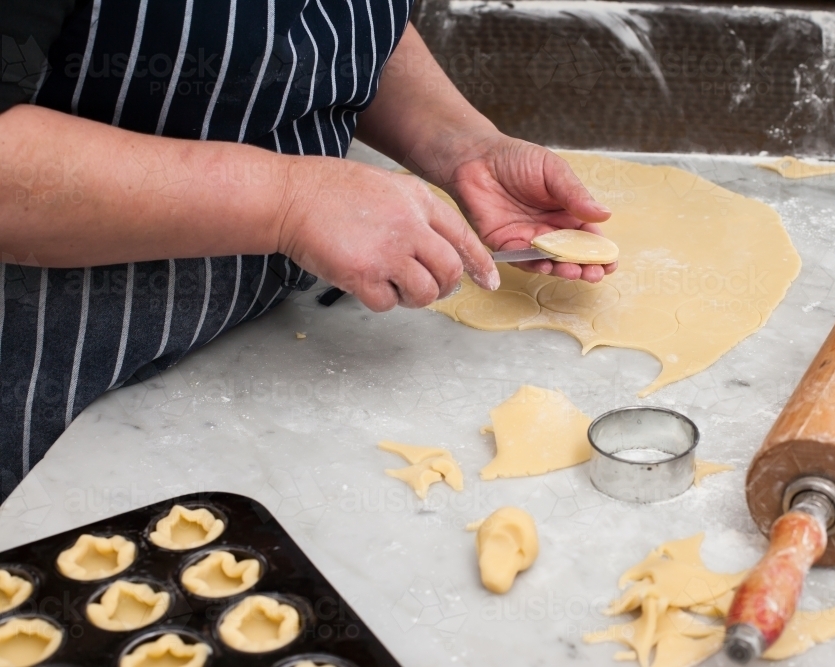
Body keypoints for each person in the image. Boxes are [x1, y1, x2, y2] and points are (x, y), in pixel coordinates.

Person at [0, 0, 616, 503]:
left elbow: (324, 27)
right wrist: (288, 200)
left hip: (245, 361)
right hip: (45, 392)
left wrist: (462, 147)